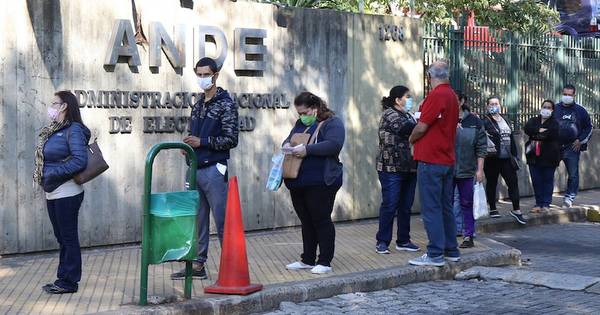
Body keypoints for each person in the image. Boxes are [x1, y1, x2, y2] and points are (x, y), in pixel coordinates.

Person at [171, 57, 239, 280]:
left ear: (216, 75)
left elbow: (231, 139)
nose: (202, 78)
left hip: (214, 170)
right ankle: (198, 265)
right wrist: (187, 145)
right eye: (198, 74)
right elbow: (195, 134)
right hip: (195, 168)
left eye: (205, 74)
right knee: (197, 220)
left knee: (222, 221)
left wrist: (203, 142)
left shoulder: (226, 104)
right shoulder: (198, 103)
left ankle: (232, 268)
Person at [34, 91, 91, 294]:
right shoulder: (54, 130)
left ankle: (70, 282)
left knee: (68, 237)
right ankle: (62, 278)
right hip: (53, 191)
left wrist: (53, 174)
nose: (51, 106)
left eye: (54, 103)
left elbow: (79, 160)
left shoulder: (74, 130)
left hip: (67, 191)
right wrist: (46, 177)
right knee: (61, 238)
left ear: (64, 106)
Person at [283, 92, 345, 274]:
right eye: (299, 113)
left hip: (321, 181)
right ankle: (308, 259)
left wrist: (307, 150)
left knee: (321, 219)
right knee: (306, 220)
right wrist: (287, 145)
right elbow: (290, 138)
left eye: (304, 112)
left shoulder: (333, 123)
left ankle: (325, 261)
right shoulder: (300, 124)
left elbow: (334, 145)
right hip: (298, 180)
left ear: (315, 108)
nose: (301, 116)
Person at [408, 60, 460, 267]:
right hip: (446, 158)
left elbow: (421, 127)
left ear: (431, 77)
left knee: (431, 208)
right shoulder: (453, 96)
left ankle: (435, 253)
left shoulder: (437, 95)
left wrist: (410, 139)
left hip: (431, 159)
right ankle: (451, 249)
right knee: (445, 206)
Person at [375, 85, 419, 255]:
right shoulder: (390, 114)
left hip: (409, 167)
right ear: (397, 100)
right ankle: (382, 241)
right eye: (407, 97)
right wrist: (426, 120)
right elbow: (405, 129)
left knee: (406, 206)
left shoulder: (408, 115)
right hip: (390, 167)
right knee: (390, 204)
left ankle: (403, 240)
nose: (410, 100)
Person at [483, 97, 526, 225]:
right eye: (491, 104)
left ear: (500, 105)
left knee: (513, 183)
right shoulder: (485, 121)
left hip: (507, 158)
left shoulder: (505, 119)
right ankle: (493, 208)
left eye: (496, 104)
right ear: (487, 106)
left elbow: (511, 138)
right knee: (492, 182)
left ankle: (517, 210)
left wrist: (515, 155)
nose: (494, 106)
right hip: (492, 158)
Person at [453, 92, 487, 248]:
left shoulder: (475, 121)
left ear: (462, 101)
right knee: (446, 203)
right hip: (446, 170)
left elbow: (481, 147)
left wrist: (479, 170)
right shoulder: (443, 119)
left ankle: (468, 236)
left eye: (455, 100)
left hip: (467, 170)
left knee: (467, 203)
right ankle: (449, 235)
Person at [554, 84, 592, 208]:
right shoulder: (555, 108)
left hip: (572, 147)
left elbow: (589, 127)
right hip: (555, 147)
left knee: (573, 174)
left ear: (574, 95)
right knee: (548, 172)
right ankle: (545, 199)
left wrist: (580, 140)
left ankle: (569, 198)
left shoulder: (580, 110)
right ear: (562, 94)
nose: (567, 97)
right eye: (565, 94)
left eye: (570, 95)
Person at [524, 100, 561, 213]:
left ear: (552, 110)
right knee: (536, 180)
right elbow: (527, 129)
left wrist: (536, 134)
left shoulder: (554, 122)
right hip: (533, 156)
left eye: (549, 107)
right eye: (544, 107)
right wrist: (539, 131)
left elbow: (551, 134)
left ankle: (546, 203)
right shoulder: (533, 120)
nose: (546, 109)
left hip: (549, 156)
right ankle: (538, 203)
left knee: (547, 180)